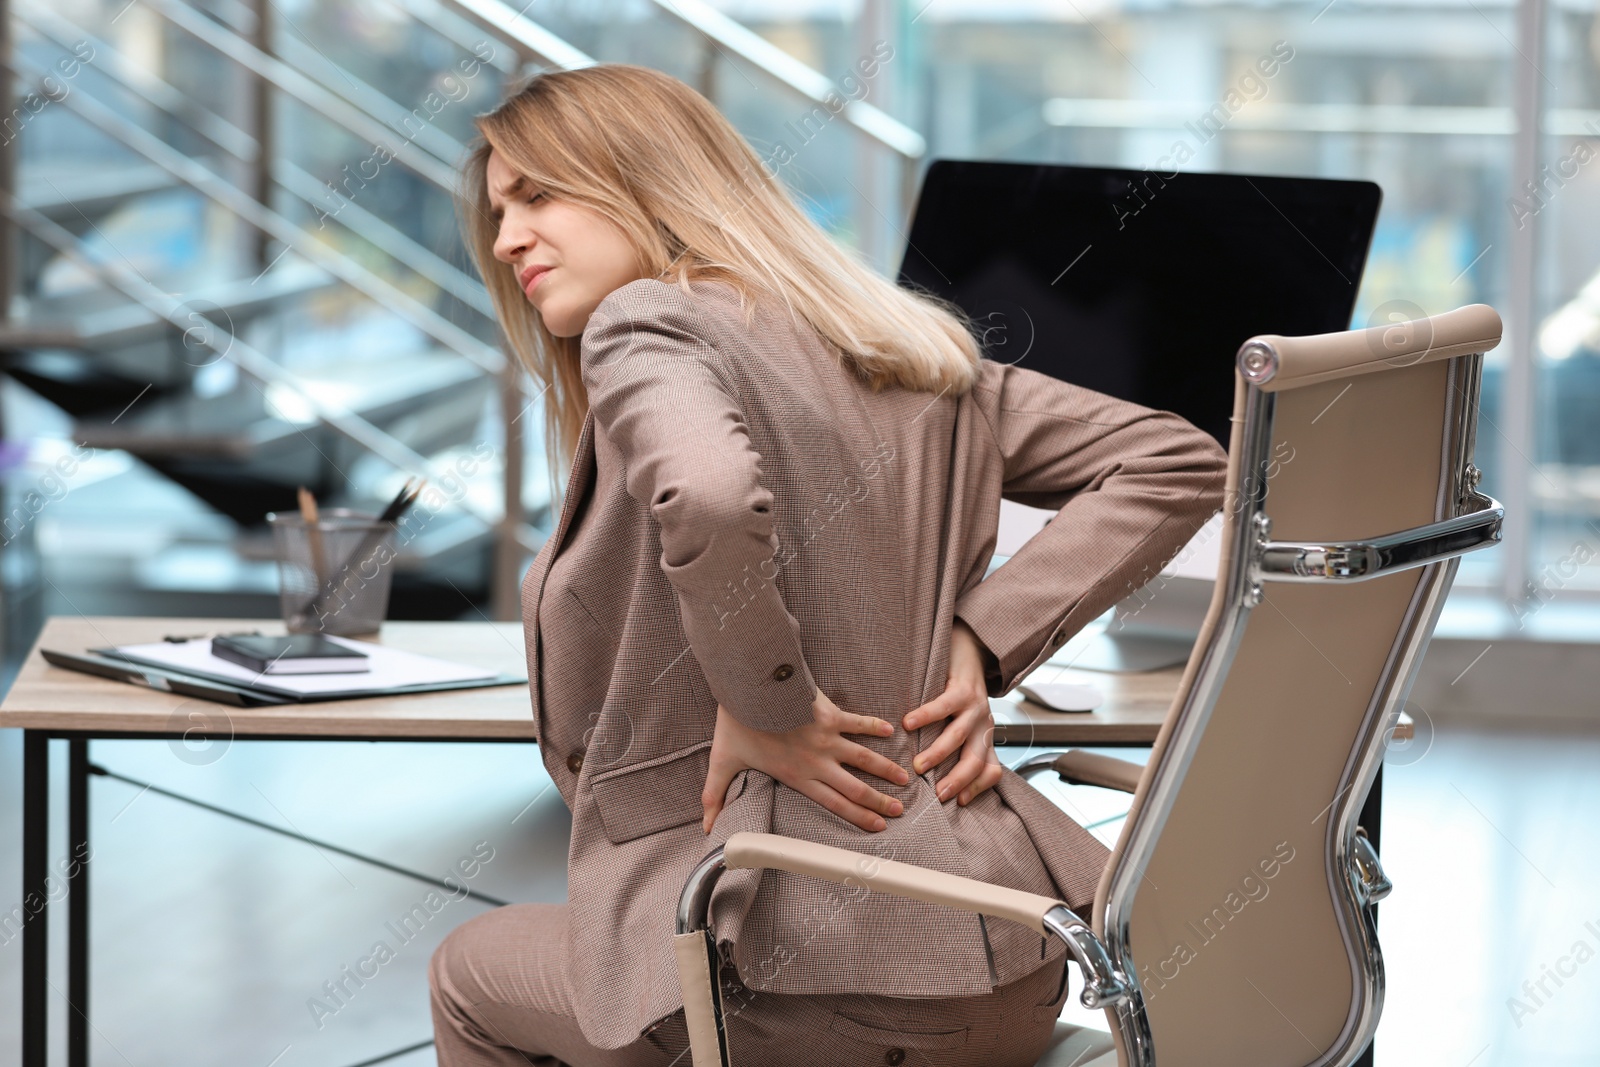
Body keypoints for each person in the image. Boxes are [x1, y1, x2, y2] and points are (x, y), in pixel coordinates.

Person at [429, 63, 1226, 1067]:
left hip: (818, 993)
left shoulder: (648, 321)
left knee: (469, 970)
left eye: (535, 195)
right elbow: (1177, 457)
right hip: (1020, 977)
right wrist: (976, 639)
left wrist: (769, 704)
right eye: (499, 212)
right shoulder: (898, 346)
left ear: (643, 176)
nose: (505, 241)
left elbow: (712, 496)